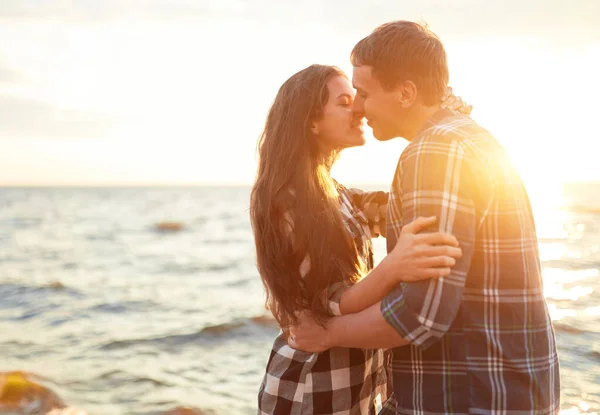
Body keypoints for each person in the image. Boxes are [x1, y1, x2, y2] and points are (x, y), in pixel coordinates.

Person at [288, 21, 560, 415]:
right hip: (503, 390)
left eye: (363, 93)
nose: (359, 107)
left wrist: (326, 332)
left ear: (406, 93)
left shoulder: (434, 152)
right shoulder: (464, 137)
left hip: (471, 397)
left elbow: (422, 314)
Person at [250, 64, 470, 414]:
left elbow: (397, 209)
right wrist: (393, 267)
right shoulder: (285, 200)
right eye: (344, 101)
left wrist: (442, 112)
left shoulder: (338, 195)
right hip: (311, 387)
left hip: (353, 383)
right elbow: (330, 304)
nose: (358, 110)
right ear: (312, 121)